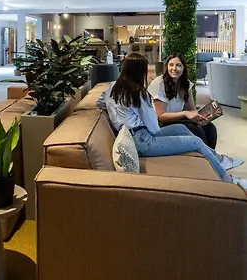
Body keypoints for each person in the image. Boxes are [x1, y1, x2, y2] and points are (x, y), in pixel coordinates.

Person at [97, 52, 247, 189]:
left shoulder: (112, 87)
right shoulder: (139, 93)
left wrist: (118, 115)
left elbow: (100, 103)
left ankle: (217, 159)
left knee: (182, 128)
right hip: (143, 141)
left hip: (135, 135)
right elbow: (154, 127)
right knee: (196, 142)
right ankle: (231, 182)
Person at [148, 53, 223, 152]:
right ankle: (205, 156)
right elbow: (161, 116)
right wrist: (185, 113)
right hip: (161, 123)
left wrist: (205, 115)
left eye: (178, 65)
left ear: (183, 68)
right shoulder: (159, 83)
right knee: (195, 129)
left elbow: (191, 109)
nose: (174, 68)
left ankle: (210, 155)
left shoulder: (185, 84)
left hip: (177, 119)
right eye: (171, 65)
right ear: (166, 67)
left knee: (210, 128)